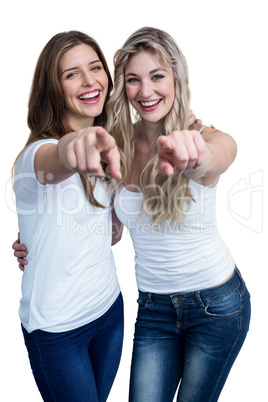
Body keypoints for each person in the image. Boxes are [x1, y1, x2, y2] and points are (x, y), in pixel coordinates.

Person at [105, 27, 251, 401]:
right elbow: (114, 229)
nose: (146, 91)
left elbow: (220, 153)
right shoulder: (117, 143)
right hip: (154, 309)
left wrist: (197, 156)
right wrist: (41, 241)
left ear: (176, 77)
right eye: (133, 80)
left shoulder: (201, 136)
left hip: (216, 306)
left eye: (157, 76)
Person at [12, 30, 124, 402]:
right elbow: (59, 157)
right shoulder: (37, 157)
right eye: (71, 73)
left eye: (95, 67)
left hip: (108, 311)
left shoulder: (108, 145)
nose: (90, 80)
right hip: (57, 331)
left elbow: (106, 233)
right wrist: (80, 143)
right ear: (53, 88)